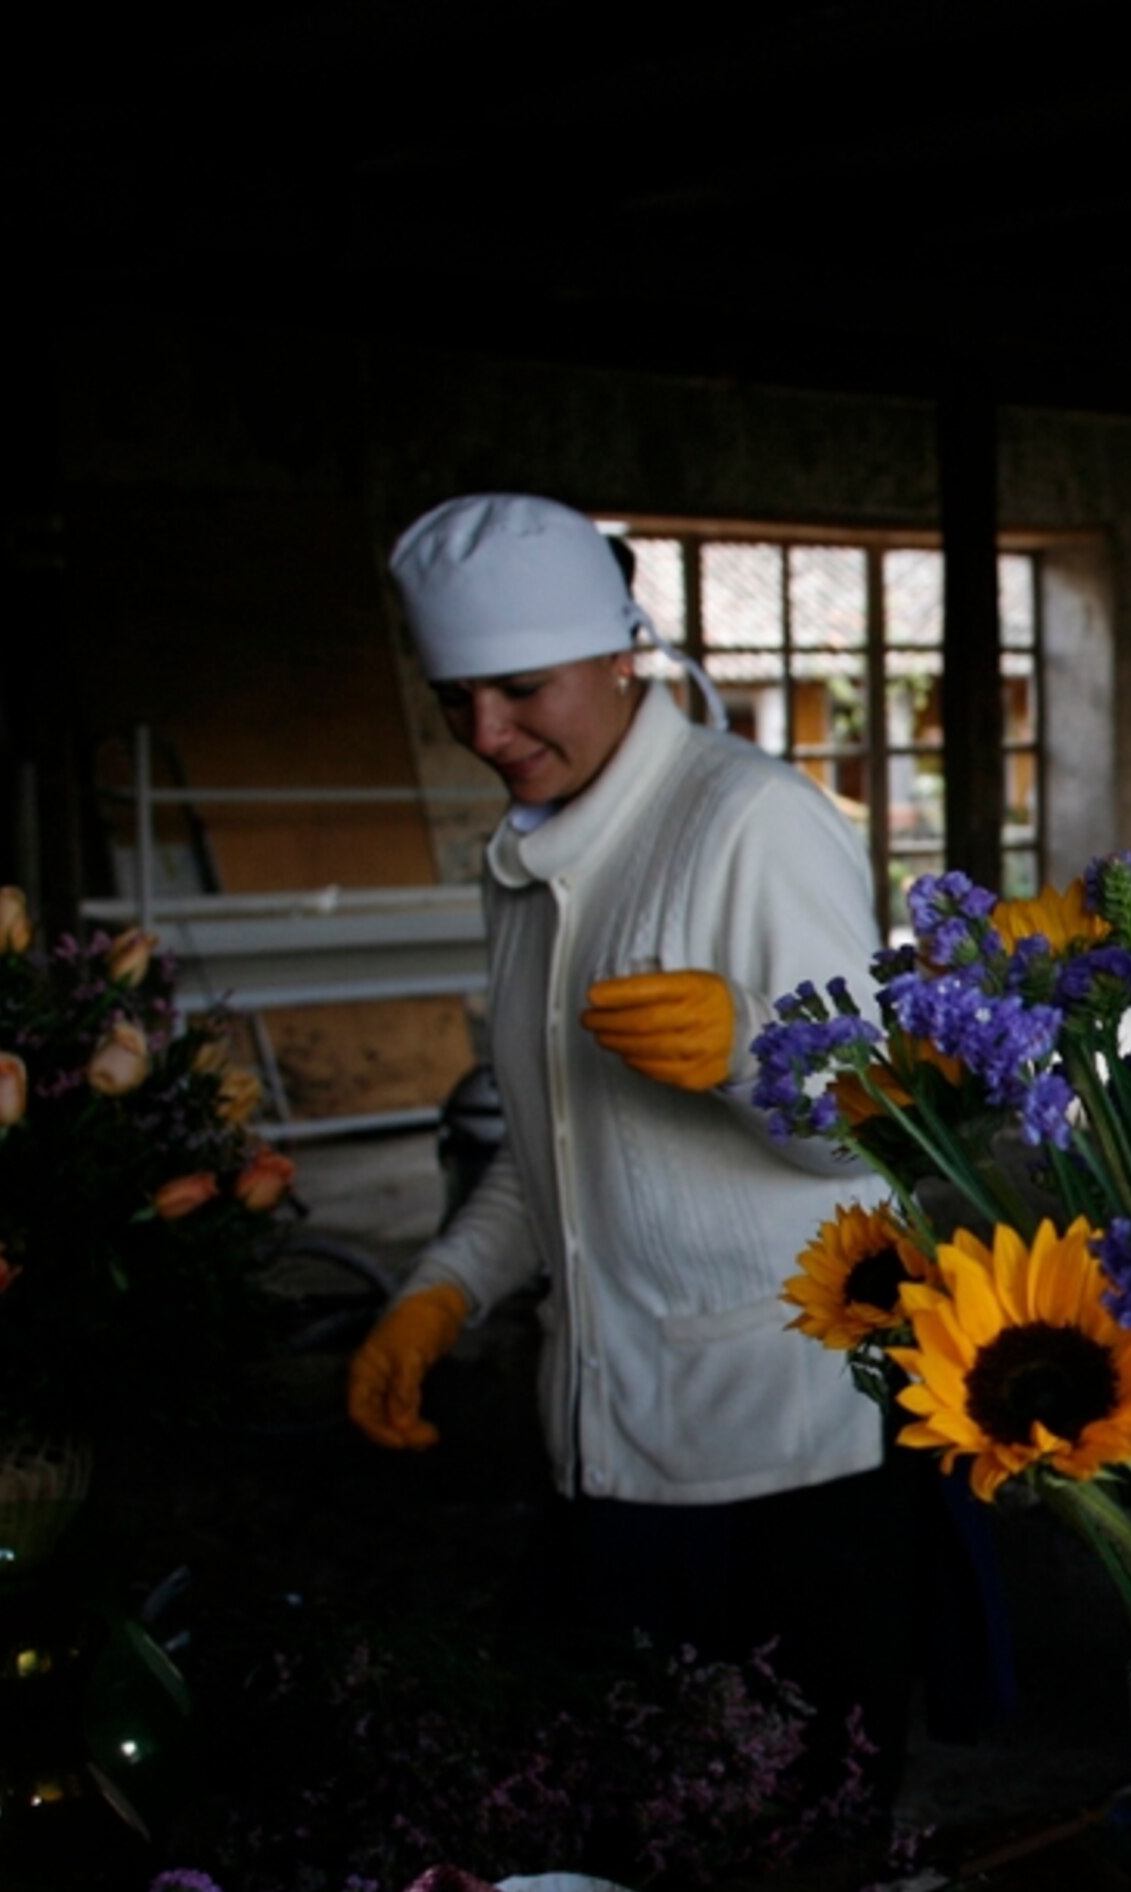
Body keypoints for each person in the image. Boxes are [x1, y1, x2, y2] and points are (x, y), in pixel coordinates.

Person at [347, 493, 896, 1742]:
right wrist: (441, 1289)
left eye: (522, 688)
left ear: (619, 650)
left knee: (788, 1832)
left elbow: (870, 1126)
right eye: (453, 699)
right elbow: (560, 1144)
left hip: (780, 1462)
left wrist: (758, 1049)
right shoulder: (533, 851)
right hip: (601, 1438)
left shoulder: (748, 820)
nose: (485, 732)